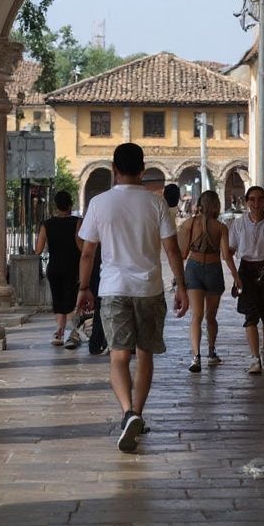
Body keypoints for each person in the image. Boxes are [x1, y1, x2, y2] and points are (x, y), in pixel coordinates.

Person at [77, 143, 188, 453]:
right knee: (145, 354)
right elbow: (172, 249)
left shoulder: (99, 203)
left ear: (114, 168)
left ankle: (126, 411)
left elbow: (88, 252)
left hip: (113, 289)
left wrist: (84, 288)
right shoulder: (156, 205)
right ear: (143, 170)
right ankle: (137, 413)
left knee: (119, 356)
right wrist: (180, 285)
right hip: (149, 289)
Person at [222, 185, 264, 375]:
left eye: (260, 199)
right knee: (250, 316)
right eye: (252, 199)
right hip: (246, 271)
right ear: (246, 201)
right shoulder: (239, 224)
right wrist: (235, 276)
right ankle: (254, 358)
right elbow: (230, 252)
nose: (256, 203)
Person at [177, 189, 230, 372]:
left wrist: (178, 279)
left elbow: (182, 253)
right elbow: (226, 256)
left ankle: (195, 356)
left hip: (194, 269)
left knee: (196, 316)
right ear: (216, 205)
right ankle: (211, 352)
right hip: (214, 271)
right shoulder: (221, 227)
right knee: (211, 316)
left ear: (200, 204)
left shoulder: (189, 224)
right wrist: (237, 277)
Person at [34, 191, 83, 348]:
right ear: (70, 205)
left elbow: (38, 250)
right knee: (71, 300)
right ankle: (73, 332)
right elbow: (80, 246)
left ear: (56, 206)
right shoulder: (77, 222)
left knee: (58, 301)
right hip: (72, 267)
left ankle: (59, 332)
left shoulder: (46, 224)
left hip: (54, 268)